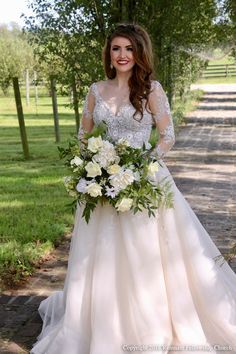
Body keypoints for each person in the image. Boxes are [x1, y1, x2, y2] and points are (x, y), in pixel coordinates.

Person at [30, 23, 236, 354]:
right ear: (108, 55)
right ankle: (102, 324)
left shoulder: (151, 89)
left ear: (139, 53)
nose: (122, 55)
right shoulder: (96, 90)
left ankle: (149, 323)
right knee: (102, 256)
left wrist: (142, 164)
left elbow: (168, 136)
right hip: (102, 183)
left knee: (146, 254)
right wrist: (89, 164)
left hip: (144, 179)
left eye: (128, 49)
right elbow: (83, 136)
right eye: (116, 49)